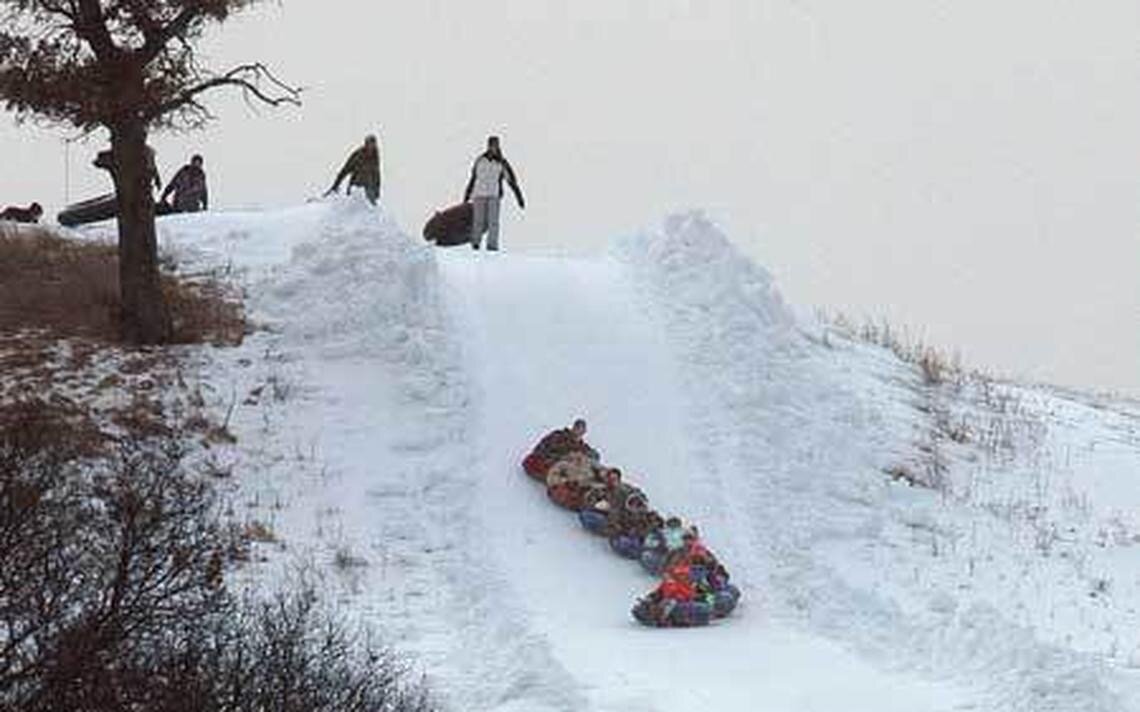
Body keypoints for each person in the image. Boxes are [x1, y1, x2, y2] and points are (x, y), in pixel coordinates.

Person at [462, 135, 524, 251]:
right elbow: (473, 178)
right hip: (479, 193)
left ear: (498, 146)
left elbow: (511, 181)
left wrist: (519, 198)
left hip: (494, 195)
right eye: (491, 145)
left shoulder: (501, 162)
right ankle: (475, 243)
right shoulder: (480, 160)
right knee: (478, 220)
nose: (493, 148)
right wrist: (466, 196)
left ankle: (492, 246)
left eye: (495, 145)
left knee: (493, 222)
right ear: (488, 146)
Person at [327, 134, 381, 204]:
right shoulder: (358, 155)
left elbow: (376, 175)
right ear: (366, 144)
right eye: (370, 144)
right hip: (356, 187)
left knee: (371, 209)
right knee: (353, 208)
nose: (371, 146)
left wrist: (377, 191)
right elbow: (345, 170)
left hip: (368, 188)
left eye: (373, 144)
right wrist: (336, 185)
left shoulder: (375, 157)